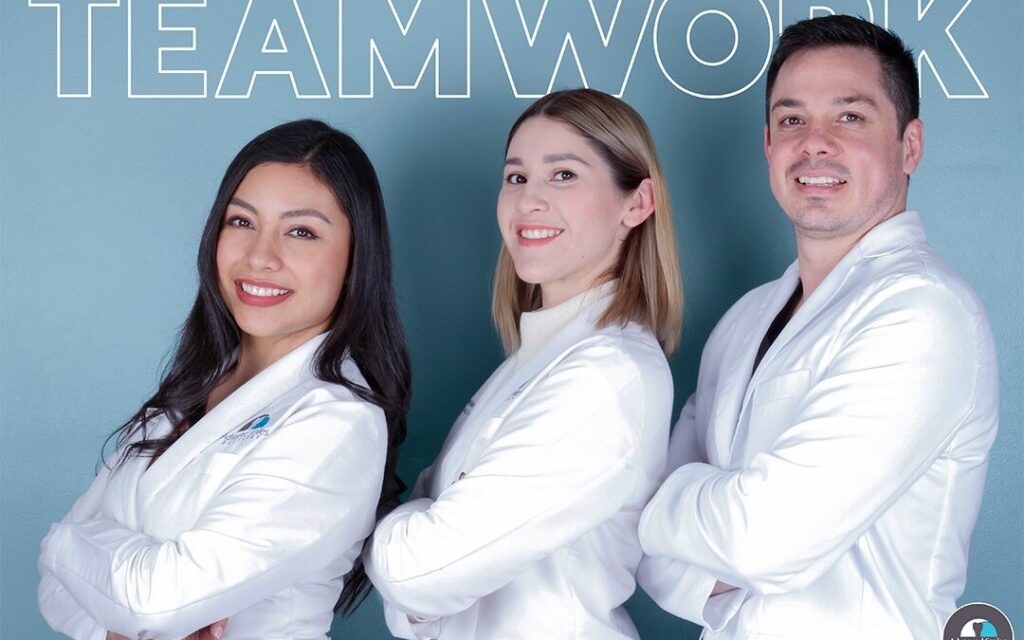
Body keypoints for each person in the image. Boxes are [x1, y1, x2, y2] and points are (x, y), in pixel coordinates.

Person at [636, 15, 999, 640]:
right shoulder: (745, 320)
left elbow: (765, 540)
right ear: (767, 145)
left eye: (850, 117)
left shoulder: (925, 314)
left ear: (909, 145)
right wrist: (723, 537)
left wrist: (660, 504)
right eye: (791, 120)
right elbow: (655, 565)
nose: (814, 144)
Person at [37, 119, 411, 640]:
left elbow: (156, 602)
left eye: (301, 232)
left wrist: (60, 543)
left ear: (356, 258)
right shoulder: (194, 388)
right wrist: (116, 626)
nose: (259, 256)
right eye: (241, 222)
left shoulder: (338, 421)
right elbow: (54, 594)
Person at [365, 88, 683, 639]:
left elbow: (417, 573)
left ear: (636, 204)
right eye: (516, 177)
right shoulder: (531, 360)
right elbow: (417, 597)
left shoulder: (606, 374)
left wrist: (389, 540)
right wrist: (415, 557)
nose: (528, 200)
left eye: (563, 175)